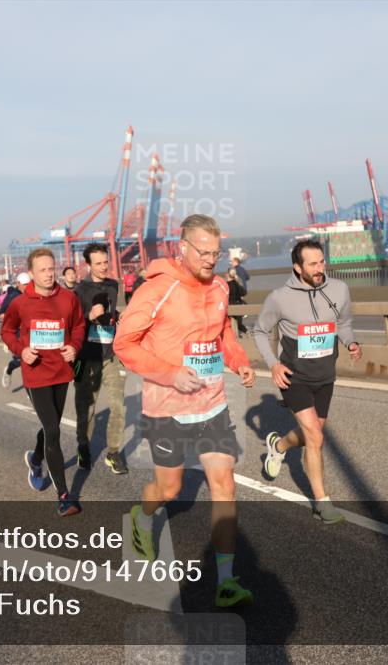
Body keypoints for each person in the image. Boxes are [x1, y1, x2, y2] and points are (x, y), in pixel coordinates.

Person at [114, 214, 256, 608]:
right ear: (183, 248)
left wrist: (238, 359)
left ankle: (226, 582)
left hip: (210, 402)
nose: (211, 260)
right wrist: (170, 374)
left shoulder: (221, 287)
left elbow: (222, 331)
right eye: (204, 252)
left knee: (224, 484)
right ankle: (143, 518)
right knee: (170, 489)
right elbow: (124, 344)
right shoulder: (158, 288)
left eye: (216, 252)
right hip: (167, 406)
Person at [252, 239, 362, 522]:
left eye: (322, 261)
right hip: (294, 376)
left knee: (312, 434)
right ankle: (322, 503)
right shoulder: (279, 297)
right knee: (315, 436)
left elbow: (344, 323)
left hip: (325, 375)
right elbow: (260, 331)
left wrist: (350, 342)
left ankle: (278, 446)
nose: (319, 268)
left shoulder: (339, 289)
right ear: (297, 267)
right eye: (312, 264)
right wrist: (273, 365)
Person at [1, 248, 86, 517]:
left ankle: (36, 459)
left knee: (52, 427)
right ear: (32, 274)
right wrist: (20, 350)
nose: (49, 274)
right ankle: (64, 496)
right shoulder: (20, 303)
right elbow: (6, 330)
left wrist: (74, 346)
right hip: (35, 373)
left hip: (61, 371)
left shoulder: (68, 298)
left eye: (51, 268)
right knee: (53, 429)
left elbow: (79, 326)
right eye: (43, 270)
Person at [73, 243, 127, 474]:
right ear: (88, 265)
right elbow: (73, 324)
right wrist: (89, 316)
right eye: (99, 263)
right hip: (87, 357)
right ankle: (83, 446)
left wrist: (118, 317)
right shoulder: (78, 291)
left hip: (110, 355)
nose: (104, 267)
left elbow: (113, 313)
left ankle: (113, 453)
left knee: (119, 407)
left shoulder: (114, 285)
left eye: (106, 262)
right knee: (88, 408)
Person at [0, 273, 31, 389]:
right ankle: (9, 369)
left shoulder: (34, 294)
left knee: (33, 359)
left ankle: (32, 389)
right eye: (25, 285)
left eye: (29, 284)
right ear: (18, 284)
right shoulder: (12, 296)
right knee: (21, 360)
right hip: (17, 332)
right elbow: (1, 314)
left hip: (32, 332)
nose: (27, 287)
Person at [226, 268, 248, 337]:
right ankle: (247, 333)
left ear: (227, 275)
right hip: (238, 306)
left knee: (227, 324)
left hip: (229, 307)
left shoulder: (226, 285)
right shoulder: (237, 284)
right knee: (239, 325)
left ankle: (233, 337)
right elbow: (244, 293)